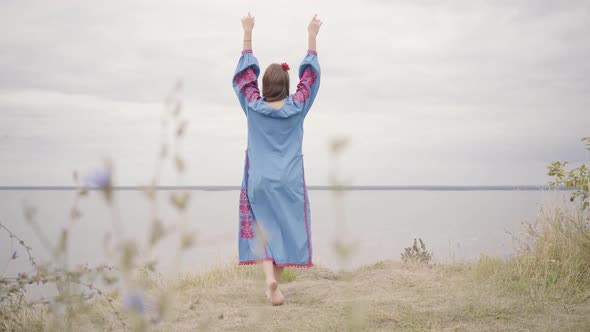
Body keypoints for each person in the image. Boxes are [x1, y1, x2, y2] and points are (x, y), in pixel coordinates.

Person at [232, 13, 322, 306]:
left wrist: (247, 32)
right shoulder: (297, 107)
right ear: (286, 84)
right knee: (286, 228)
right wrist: (312, 36)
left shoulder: (253, 106)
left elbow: (245, 78)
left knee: (263, 229)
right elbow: (310, 78)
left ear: (264, 87)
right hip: (289, 181)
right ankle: (275, 283)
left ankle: (269, 278)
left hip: (259, 180)